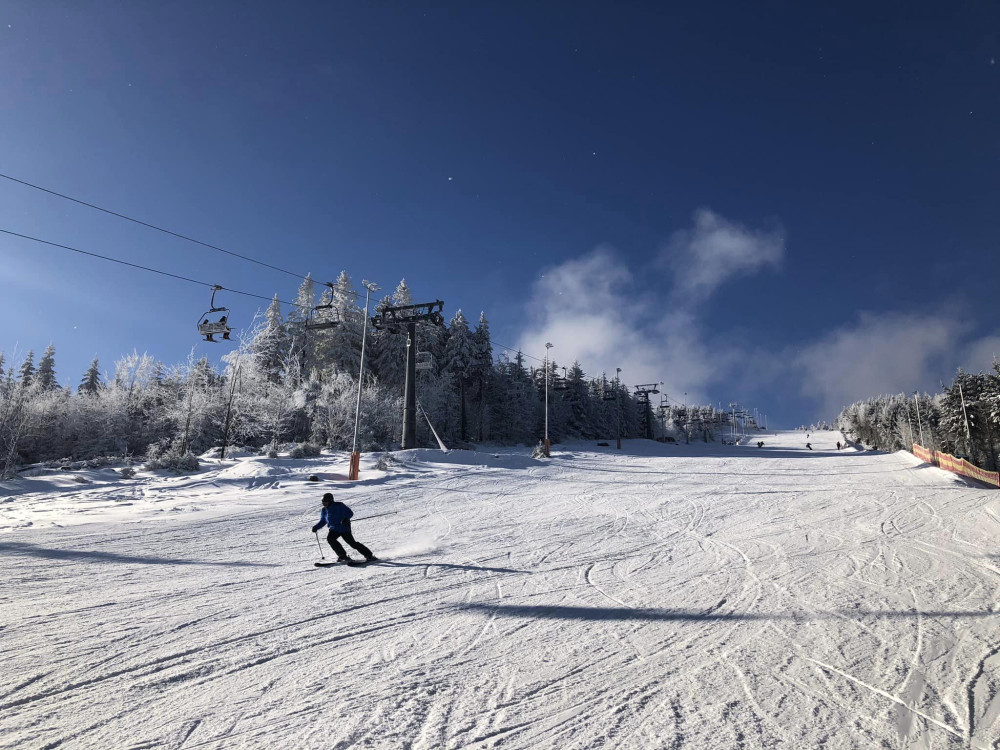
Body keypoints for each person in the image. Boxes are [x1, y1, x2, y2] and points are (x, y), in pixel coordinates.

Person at [311, 493, 376, 563]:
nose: (323, 503)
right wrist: (316, 527)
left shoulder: (339, 505)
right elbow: (323, 520)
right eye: (323, 501)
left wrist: (346, 519)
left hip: (344, 528)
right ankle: (342, 555)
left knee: (352, 543)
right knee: (330, 539)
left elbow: (350, 512)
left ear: (330, 501)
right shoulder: (324, 510)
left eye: (325, 501)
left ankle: (369, 555)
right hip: (334, 529)